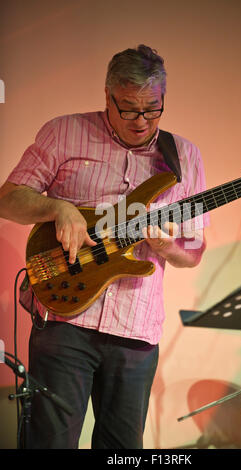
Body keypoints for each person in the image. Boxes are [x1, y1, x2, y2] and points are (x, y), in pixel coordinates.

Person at [0, 45, 209, 449]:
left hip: (136, 331)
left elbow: (194, 250)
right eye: (129, 108)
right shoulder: (64, 131)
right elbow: (8, 198)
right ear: (108, 95)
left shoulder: (184, 157)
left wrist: (166, 246)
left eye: (153, 108)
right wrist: (56, 207)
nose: (141, 121)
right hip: (65, 320)